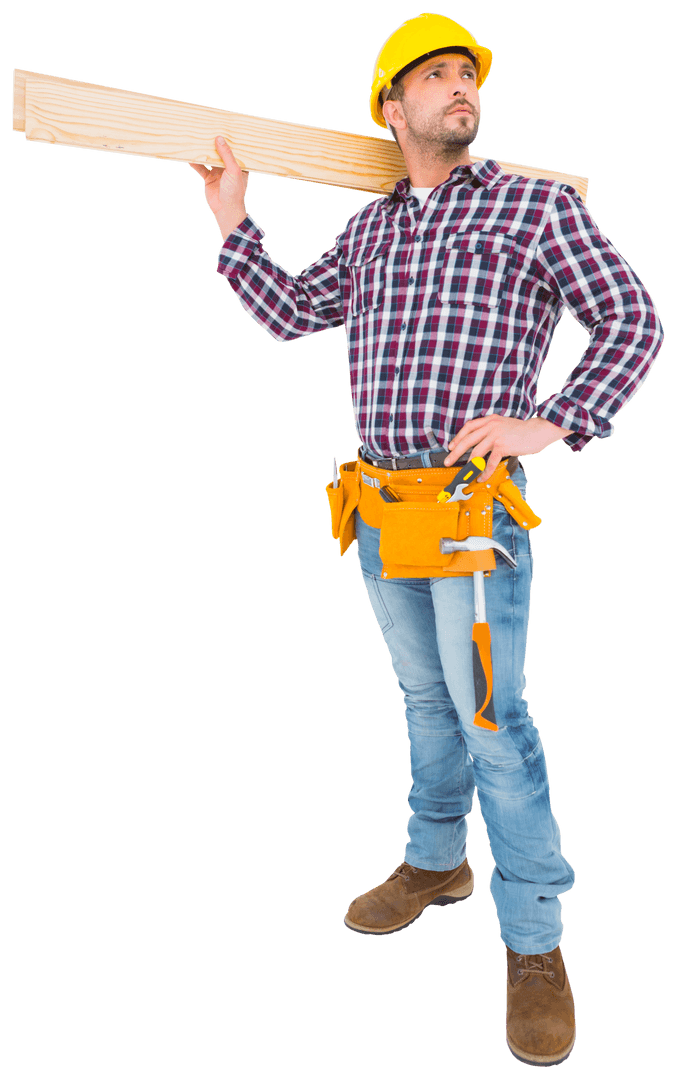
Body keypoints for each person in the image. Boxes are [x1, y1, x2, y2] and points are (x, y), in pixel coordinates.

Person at [189, 13, 663, 1068]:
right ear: (389, 109)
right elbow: (291, 313)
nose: (460, 87)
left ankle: (533, 942)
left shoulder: (537, 205)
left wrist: (555, 419)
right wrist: (232, 218)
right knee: (422, 699)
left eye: (467, 74)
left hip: (470, 515)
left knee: (491, 718)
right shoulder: (369, 228)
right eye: (435, 75)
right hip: (379, 512)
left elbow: (632, 320)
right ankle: (434, 861)